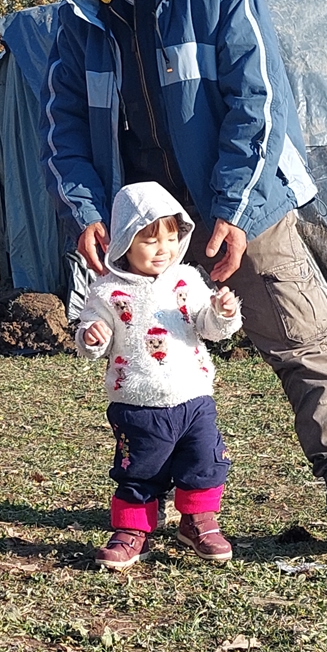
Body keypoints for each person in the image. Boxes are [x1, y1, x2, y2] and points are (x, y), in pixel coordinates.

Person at [42, 0, 327, 549]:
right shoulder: (80, 12)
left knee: (295, 338)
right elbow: (64, 126)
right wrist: (86, 211)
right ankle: (169, 497)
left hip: (247, 200)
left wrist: (230, 209)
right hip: (148, 223)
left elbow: (258, 104)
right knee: (148, 350)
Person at [76, 181, 242, 570]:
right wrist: (92, 336)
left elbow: (210, 327)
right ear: (124, 243)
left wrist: (222, 313)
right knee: (139, 469)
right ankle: (132, 530)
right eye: (150, 241)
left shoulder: (187, 280)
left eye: (170, 238)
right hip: (137, 403)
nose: (162, 249)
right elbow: (89, 338)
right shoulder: (108, 291)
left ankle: (198, 521)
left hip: (193, 397)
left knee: (204, 461)